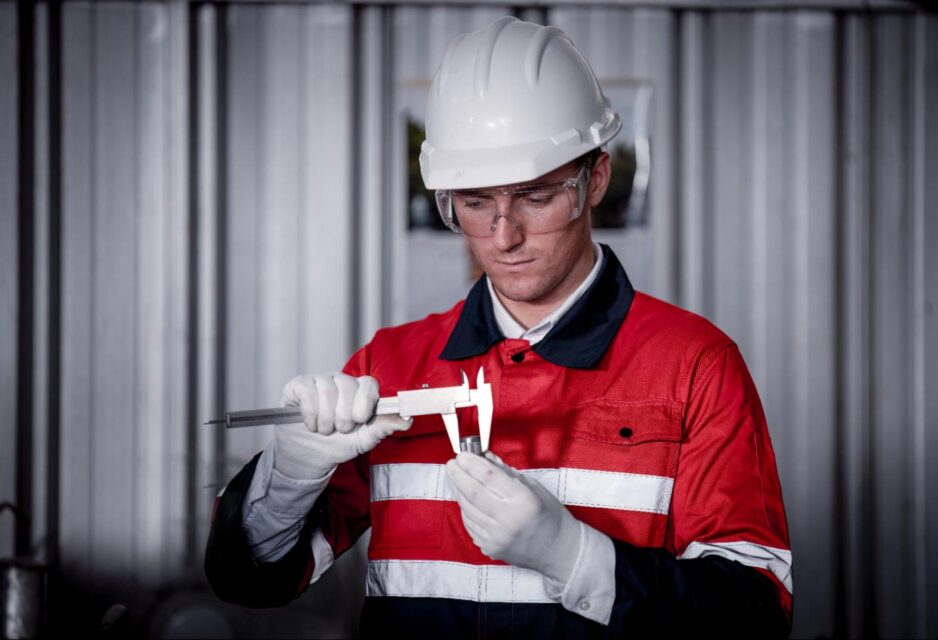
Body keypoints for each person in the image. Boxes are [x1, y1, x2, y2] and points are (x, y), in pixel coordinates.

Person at [205, 16, 792, 638]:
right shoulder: (391, 364)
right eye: (476, 202)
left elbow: (753, 616)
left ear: (594, 179)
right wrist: (291, 475)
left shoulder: (694, 363)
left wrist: (578, 557)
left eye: (534, 197)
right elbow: (249, 583)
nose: (502, 236)